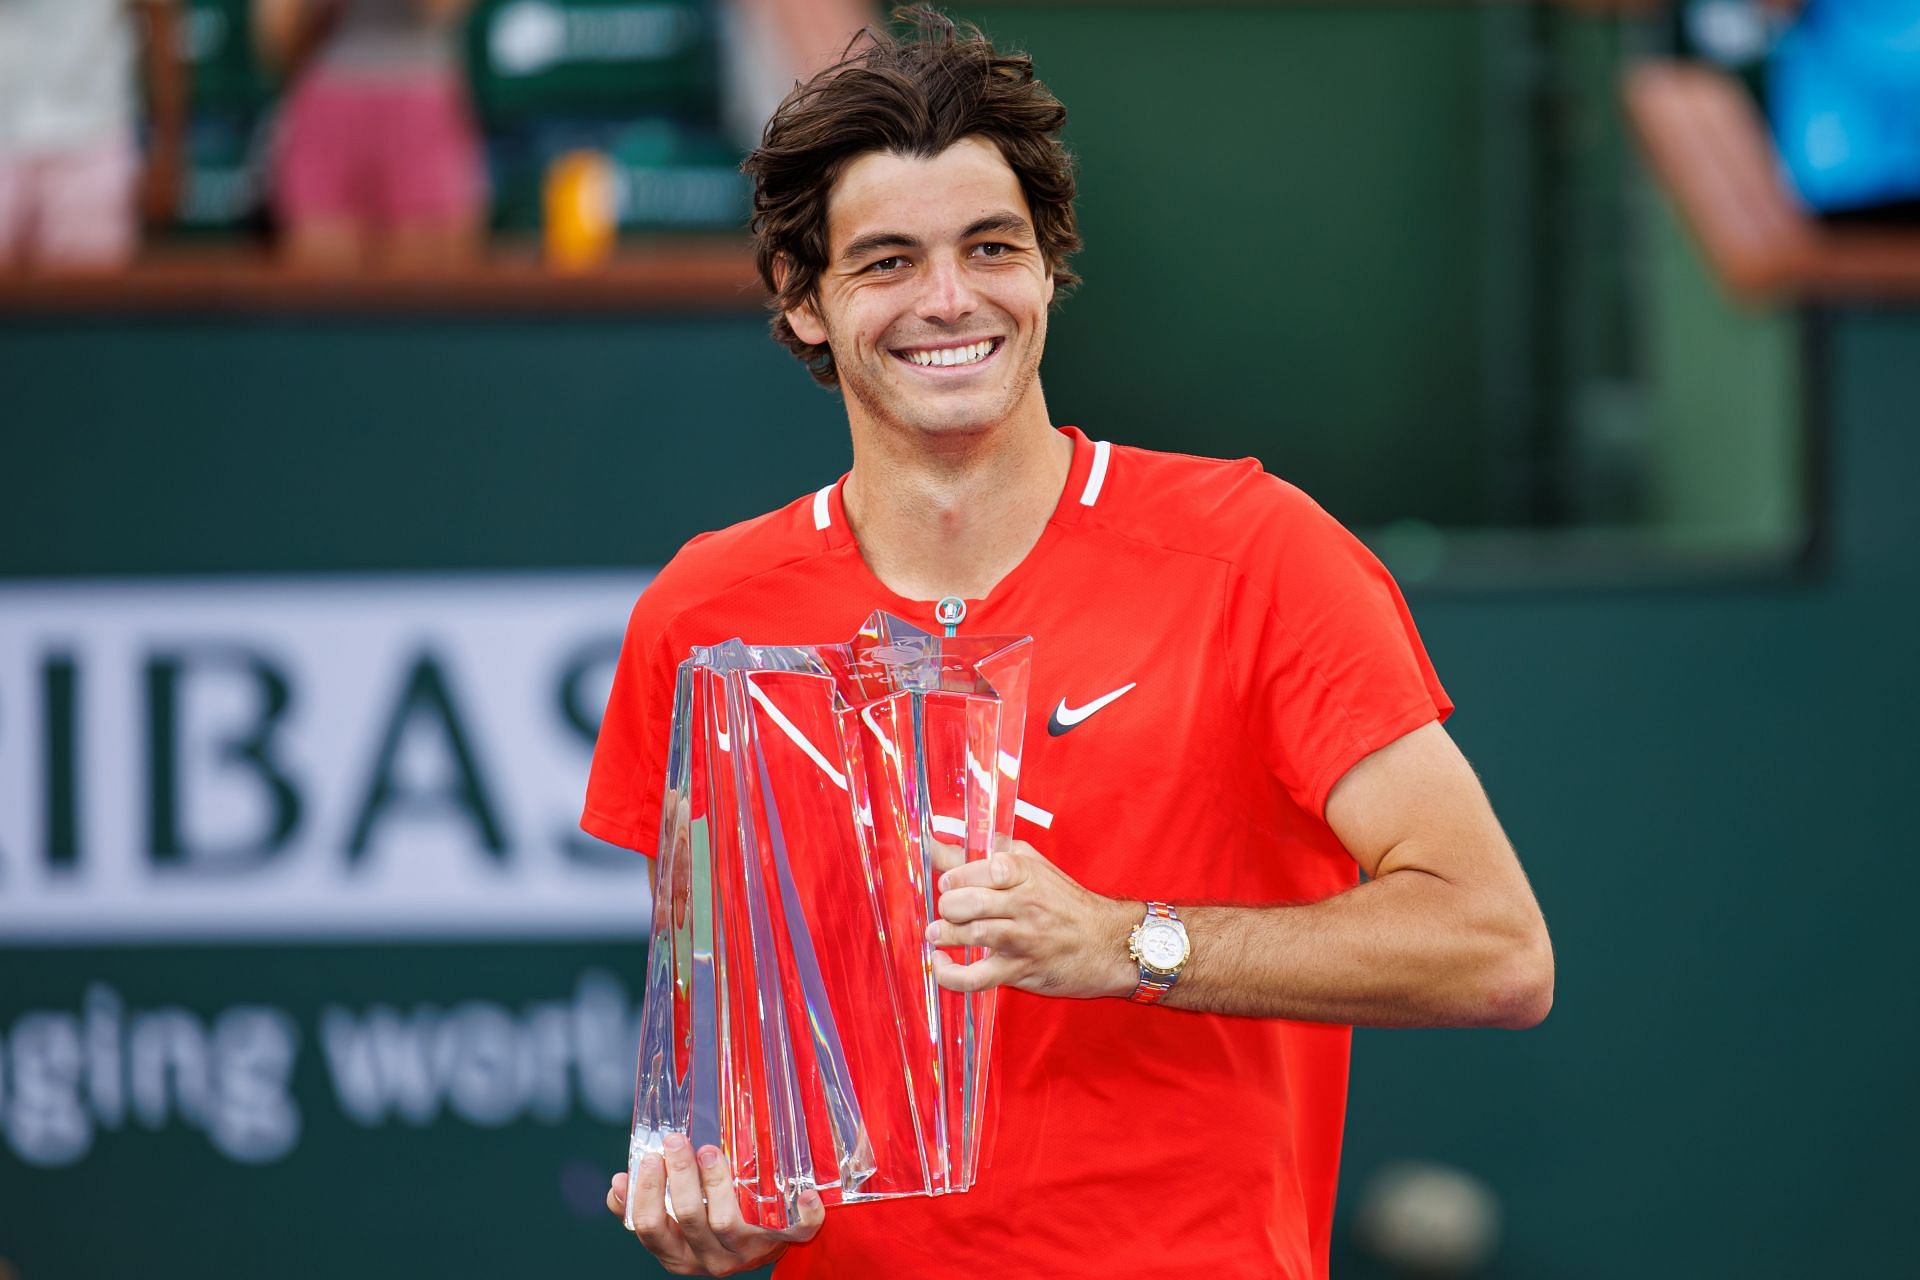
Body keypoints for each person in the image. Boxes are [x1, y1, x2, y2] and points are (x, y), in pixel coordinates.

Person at [582, 9, 1554, 1277]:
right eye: (885, 261)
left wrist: (1128, 942)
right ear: (803, 300)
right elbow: (734, 1046)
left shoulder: (1256, 551)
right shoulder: (704, 608)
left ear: (1048, 269)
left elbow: (1495, 945)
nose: (949, 299)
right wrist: (719, 1206)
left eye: (992, 247)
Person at [254, 0, 486, 269]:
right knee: (322, 289)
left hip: (421, 98)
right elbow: (276, 44)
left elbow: (443, 10)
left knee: (430, 290)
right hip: (328, 103)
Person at [0, 0, 187, 272]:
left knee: (88, 310)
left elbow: (160, 17)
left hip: (95, 139)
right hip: (8, 140)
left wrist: (169, 151)